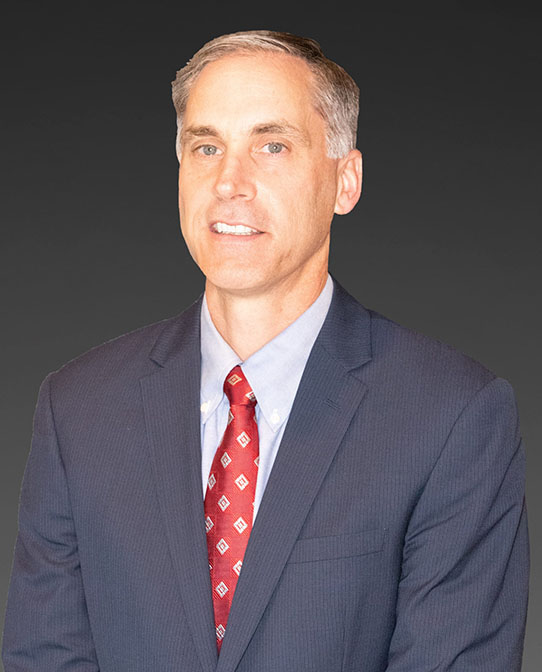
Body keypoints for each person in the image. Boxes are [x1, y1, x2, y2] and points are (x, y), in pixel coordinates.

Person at [2, 30, 529, 672]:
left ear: (345, 181)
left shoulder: (451, 417)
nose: (230, 182)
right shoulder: (79, 410)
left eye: (272, 146)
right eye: (206, 147)